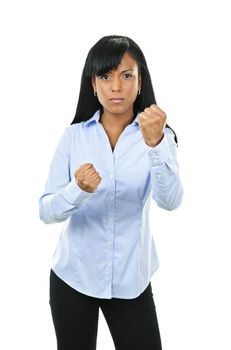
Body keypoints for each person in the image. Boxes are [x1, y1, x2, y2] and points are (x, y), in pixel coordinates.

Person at [39, 34, 183, 350]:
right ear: (93, 84)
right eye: (105, 76)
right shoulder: (74, 137)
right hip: (72, 278)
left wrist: (155, 144)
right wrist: (77, 190)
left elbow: (170, 201)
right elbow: (46, 210)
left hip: (131, 282)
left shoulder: (159, 136)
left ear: (140, 81)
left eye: (126, 75)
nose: (115, 86)